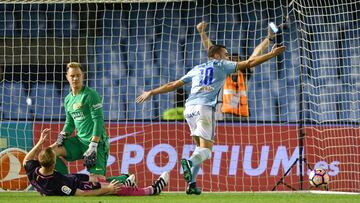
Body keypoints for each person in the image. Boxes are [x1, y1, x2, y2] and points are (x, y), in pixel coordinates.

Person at [136, 28, 285, 195]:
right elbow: (250, 62)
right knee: (206, 151)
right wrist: (272, 54)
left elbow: (173, 84)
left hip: (189, 109)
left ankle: (191, 184)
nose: (229, 57)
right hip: (205, 108)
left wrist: (151, 92)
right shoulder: (222, 65)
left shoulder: (197, 68)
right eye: (226, 54)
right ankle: (189, 163)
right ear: (218, 56)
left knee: (199, 147)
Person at [24, 128, 169, 196]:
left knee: (97, 177)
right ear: (54, 164)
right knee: (112, 188)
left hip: (73, 178)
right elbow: (81, 194)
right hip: (77, 185)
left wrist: (40, 142)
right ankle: (152, 190)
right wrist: (107, 190)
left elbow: (27, 159)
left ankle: (125, 181)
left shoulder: (32, 171)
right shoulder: (56, 183)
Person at [50, 62, 127, 183]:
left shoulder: (91, 95)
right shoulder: (68, 99)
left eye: (78, 75)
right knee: (49, 153)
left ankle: (125, 179)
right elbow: (70, 122)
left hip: (96, 143)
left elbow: (98, 120)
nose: (75, 78)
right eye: (72, 76)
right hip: (79, 141)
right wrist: (64, 133)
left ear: (83, 76)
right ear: (67, 77)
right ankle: (64, 181)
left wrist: (93, 145)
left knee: (97, 182)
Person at [197, 21, 276, 119]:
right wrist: (202, 32)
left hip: (241, 113)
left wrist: (269, 38)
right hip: (221, 113)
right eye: (231, 61)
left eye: (237, 61)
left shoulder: (244, 71)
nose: (234, 63)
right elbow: (211, 50)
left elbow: (256, 53)